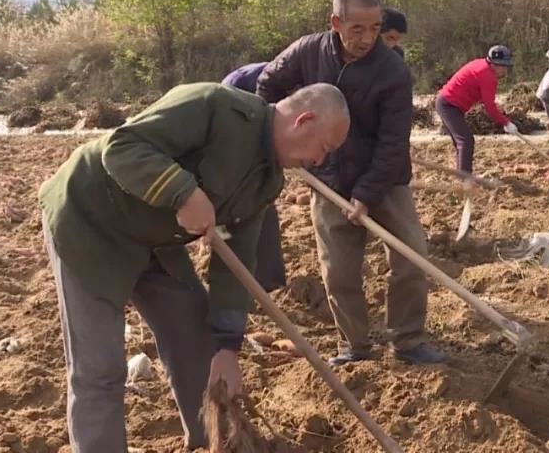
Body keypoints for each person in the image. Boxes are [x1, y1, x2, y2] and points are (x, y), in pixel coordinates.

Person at [39, 82, 350, 452]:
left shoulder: (267, 182)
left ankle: (212, 442)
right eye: (323, 148)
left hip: (155, 238)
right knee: (100, 369)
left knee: (196, 337)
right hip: (90, 221)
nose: (319, 161)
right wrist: (183, 192)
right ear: (304, 120)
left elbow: (234, 264)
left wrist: (228, 348)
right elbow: (122, 147)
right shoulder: (213, 105)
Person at [257, 0, 446, 367]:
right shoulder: (308, 51)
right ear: (336, 22)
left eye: (375, 28)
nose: (367, 38)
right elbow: (266, 86)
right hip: (326, 179)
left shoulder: (392, 71)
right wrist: (283, 140)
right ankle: (355, 346)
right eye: (357, 29)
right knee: (339, 271)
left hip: (386, 179)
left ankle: (407, 341)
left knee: (411, 257)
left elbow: (394, 143)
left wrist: (367, 193)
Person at [220, 60, 284, 292]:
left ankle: (270, 281)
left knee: (264, 198)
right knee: (242, 199)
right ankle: (235, 281)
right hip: (234, 136)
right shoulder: (240, 87)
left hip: (267, 131)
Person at [435, 45, 517, 173]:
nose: (505, 71)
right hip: (448, 105)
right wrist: (505, 122)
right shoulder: (488, 77)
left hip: (447, 103)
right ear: (495, 64)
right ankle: (465, 179)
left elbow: (479, 94)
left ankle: (462, 174)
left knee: (461, 143)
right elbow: (489, 106)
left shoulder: (480, 64)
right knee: (465, 141)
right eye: (503, 66)